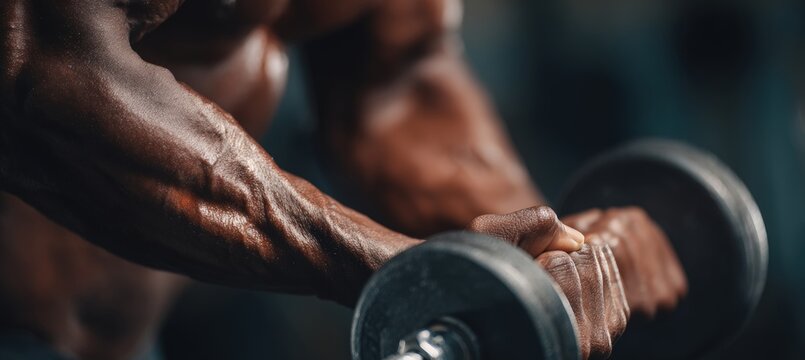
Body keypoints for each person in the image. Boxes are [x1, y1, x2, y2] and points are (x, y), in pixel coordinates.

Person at [0, 0, 687, 358]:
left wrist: (558, 261)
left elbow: (397, 84)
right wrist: (400, 272)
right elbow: (47, 82)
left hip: (127, 342)